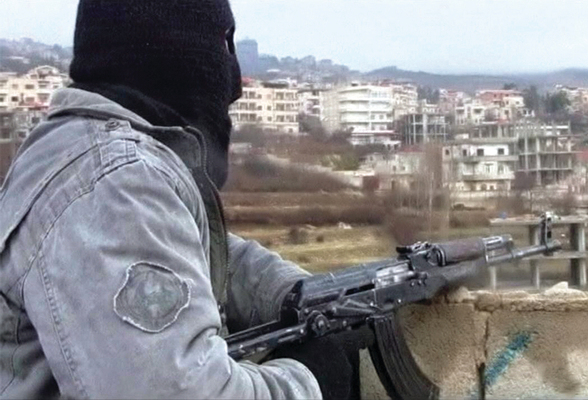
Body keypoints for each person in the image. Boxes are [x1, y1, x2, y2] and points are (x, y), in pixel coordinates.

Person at [0, 0, 360, 398]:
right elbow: (175, 391)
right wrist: (312, 380)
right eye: (223, 45)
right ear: (172, 52)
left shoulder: (89, 156)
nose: (235, 84)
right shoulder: (113, 186)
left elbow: (188, 249)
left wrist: (296, 295)